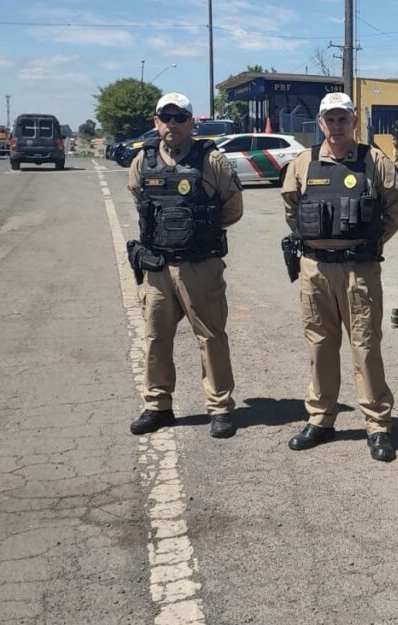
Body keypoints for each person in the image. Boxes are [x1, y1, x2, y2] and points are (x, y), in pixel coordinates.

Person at [281, 92, 398, 462]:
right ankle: (321, 419)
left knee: (365, 346)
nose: (336, 126)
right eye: (330, 119)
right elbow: (291, 208)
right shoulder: (303, 162)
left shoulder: (374, 161)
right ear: (320, 123)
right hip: (315, 269)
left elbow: (395, 211)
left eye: (343, 119)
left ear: (353, 121)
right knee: (320, 345)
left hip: (359, 270)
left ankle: (378, 424)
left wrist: (368, 242)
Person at [126, 92, 244, 439]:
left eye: (180, 118)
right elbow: (139, 199)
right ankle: (158, 406)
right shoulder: (143, 160)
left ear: (192, 123)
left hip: (199, 265)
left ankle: (220, 408)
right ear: (156, 122)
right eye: (166, 117)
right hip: (157, 267)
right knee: (156, 337)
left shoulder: (212, 160)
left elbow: (233, 208)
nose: (172, 124)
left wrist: (199, 232)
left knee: (211, 336)